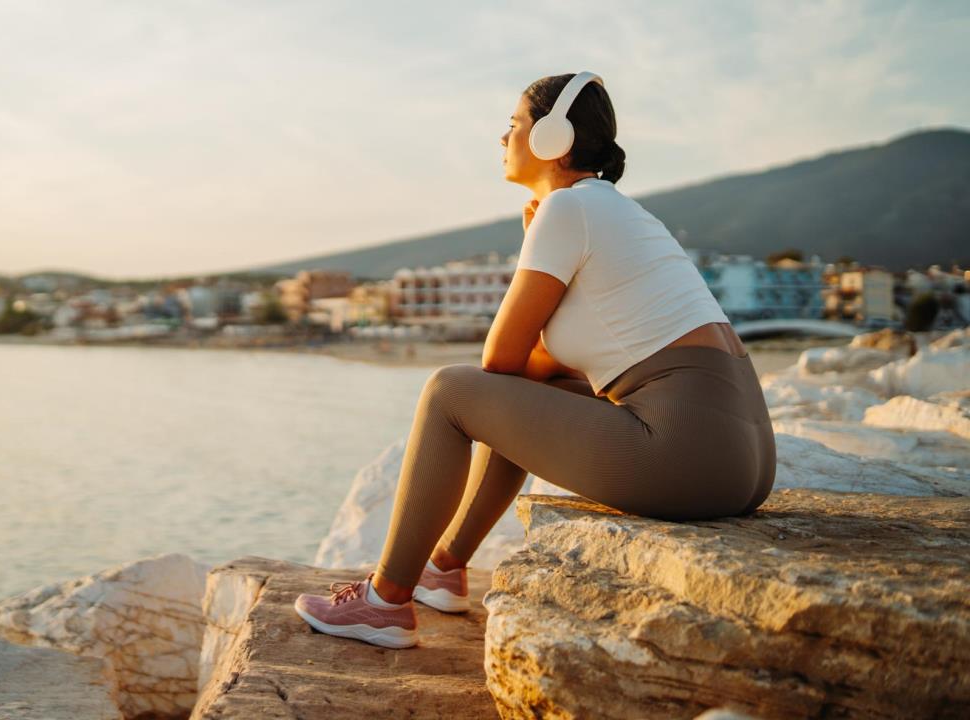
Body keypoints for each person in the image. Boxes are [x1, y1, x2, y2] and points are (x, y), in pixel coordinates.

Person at [293, 72, 776, 649]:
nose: (503, 138)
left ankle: (385, 599)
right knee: (517, 398)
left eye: (514, 124)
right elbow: (538, 375)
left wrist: (534, 243)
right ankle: (443, 568)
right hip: (743, 460)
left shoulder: (567, 211)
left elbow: (497, 359)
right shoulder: (622, 214)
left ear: (552, 138)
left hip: (686, 455)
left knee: (450, 390)